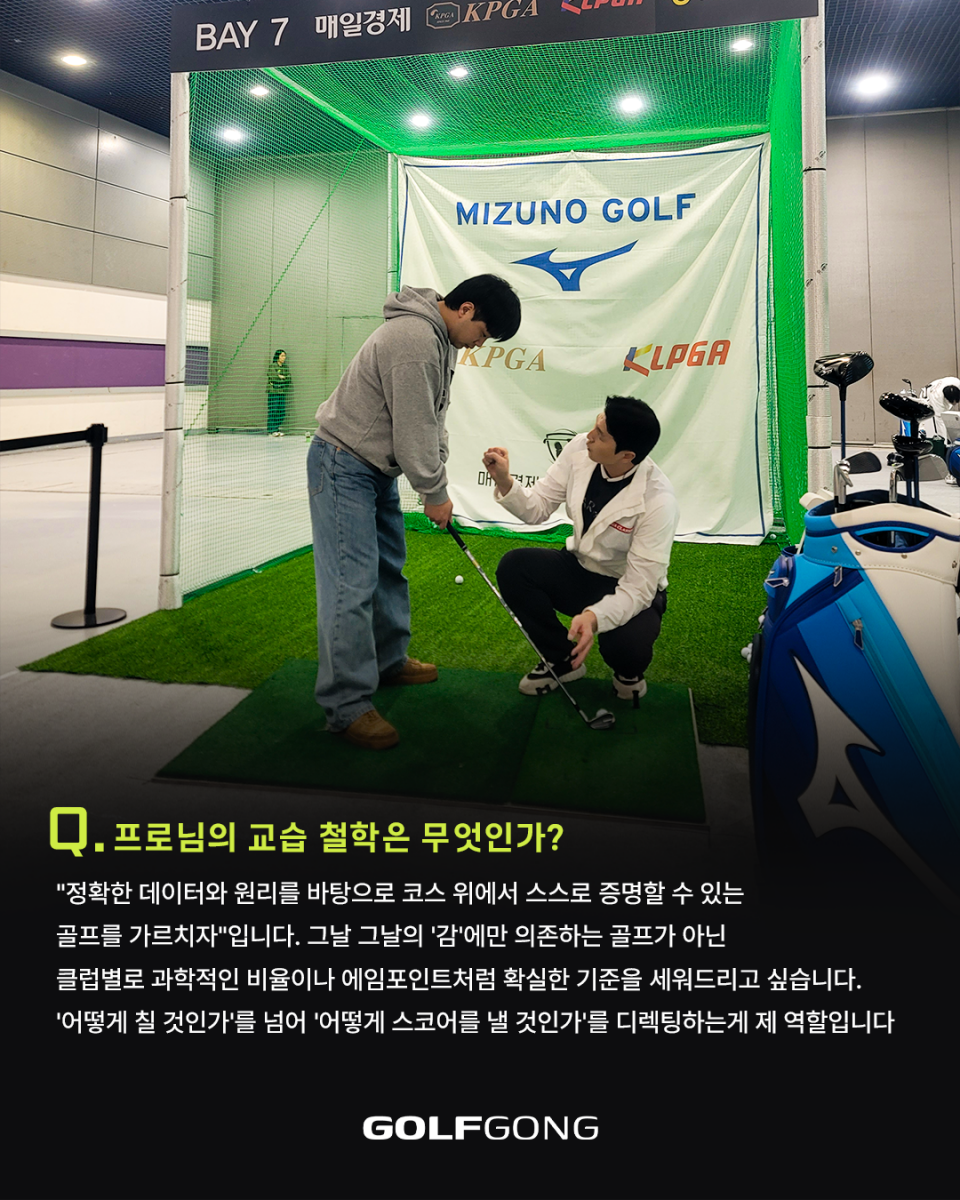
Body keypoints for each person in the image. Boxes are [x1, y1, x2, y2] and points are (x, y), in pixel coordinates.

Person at [308, 275, 522, 750]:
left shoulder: (441, 340)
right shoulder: (414, 339)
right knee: (350, 584)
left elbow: (433, 416)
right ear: (466, 310)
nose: (479, 344)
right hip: (343, 463)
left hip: (375, 469)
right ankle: (346, 706)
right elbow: (412, 428)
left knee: (389, 568)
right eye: (483, 333)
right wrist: (434, 491)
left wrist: (436, 473)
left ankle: (388, 661)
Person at [482, 395, 679, 701]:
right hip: (578, 567)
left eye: (601, 435)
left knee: (628, 647)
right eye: (595, 426)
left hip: (625, 585)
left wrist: (594, 617)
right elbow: (537, 509)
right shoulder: (579, 449)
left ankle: (628, 674)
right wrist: (505, 481)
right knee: (515, 567)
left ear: (627, 455)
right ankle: (561, 659)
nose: (589, 436)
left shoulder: (659, 501)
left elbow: (639, 588)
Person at [267, 349, 291, 436]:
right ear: (277, 357)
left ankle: (276, 429)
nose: (284, 358)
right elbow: (273, 378)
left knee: (281, 411)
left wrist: (282, 377)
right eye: (282, 356)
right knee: (273, 410)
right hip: (274, 391)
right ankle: (271, 430)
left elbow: (289, 379)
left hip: (282, 392)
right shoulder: (272, 366)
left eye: (284, 356)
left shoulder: (285, 367)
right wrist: (280, 378)